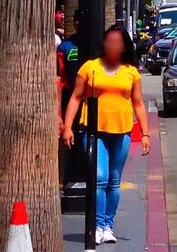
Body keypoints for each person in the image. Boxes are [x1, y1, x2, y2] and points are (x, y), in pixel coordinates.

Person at [62, 27, 151, 245]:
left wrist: (146, 133)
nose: (112, 45)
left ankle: (108, 225)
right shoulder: (90, 67)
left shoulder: (131, 71)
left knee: (114, 182)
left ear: (124, 47)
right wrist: (67, 127)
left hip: (121, 132)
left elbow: (138, 103)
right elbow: (75, 97)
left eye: (117, 42)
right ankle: (98, 225)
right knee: (99, 178)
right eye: (108, 41)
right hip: (93, 131)